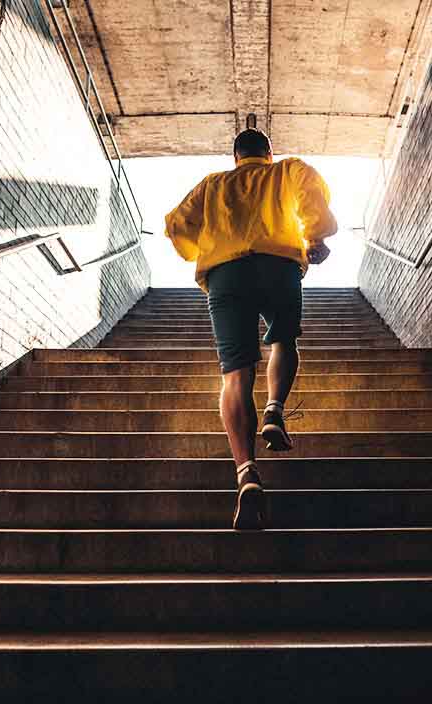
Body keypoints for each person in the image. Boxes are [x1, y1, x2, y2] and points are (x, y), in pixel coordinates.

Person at [164, 128, 338, 530]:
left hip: (226, 275)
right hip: (278, 267)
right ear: (269, 153)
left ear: (235, 157)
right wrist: (314, 236)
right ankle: (275, 410)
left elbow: (177, 225)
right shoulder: (287, 171)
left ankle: (246, 473)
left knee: (235, 376)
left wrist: (201, 244)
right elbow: (312, 194)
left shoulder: (214, 184)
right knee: (283, 340)